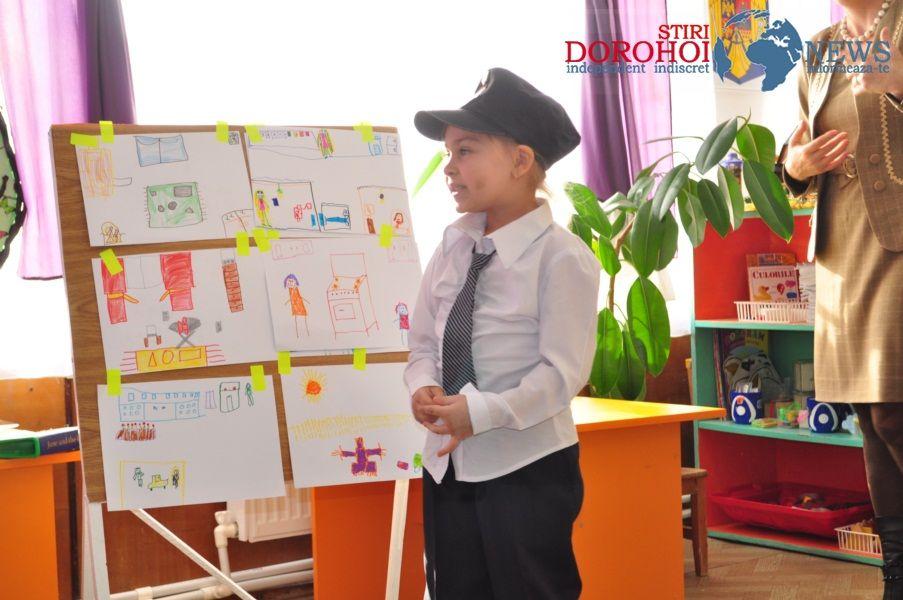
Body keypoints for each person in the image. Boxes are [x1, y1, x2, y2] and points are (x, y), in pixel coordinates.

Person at [404, 67, 600, 599]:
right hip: (448, 465)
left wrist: (481, 413)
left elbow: (561, 376)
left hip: (526, 468)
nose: (449, 168)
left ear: (520, 160)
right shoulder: (452, 247)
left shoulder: (562, 258)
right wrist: (423, 384)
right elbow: (423, 342)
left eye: (465, 150)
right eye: (448, 153)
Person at [779, 2, 903, 596]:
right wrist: (796, 165)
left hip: (899, 247)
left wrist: (899, 81)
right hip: (841, 248)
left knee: (893, 410)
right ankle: (896, 572)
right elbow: (796, 150)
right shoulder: (819, 47)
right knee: (869, 418)